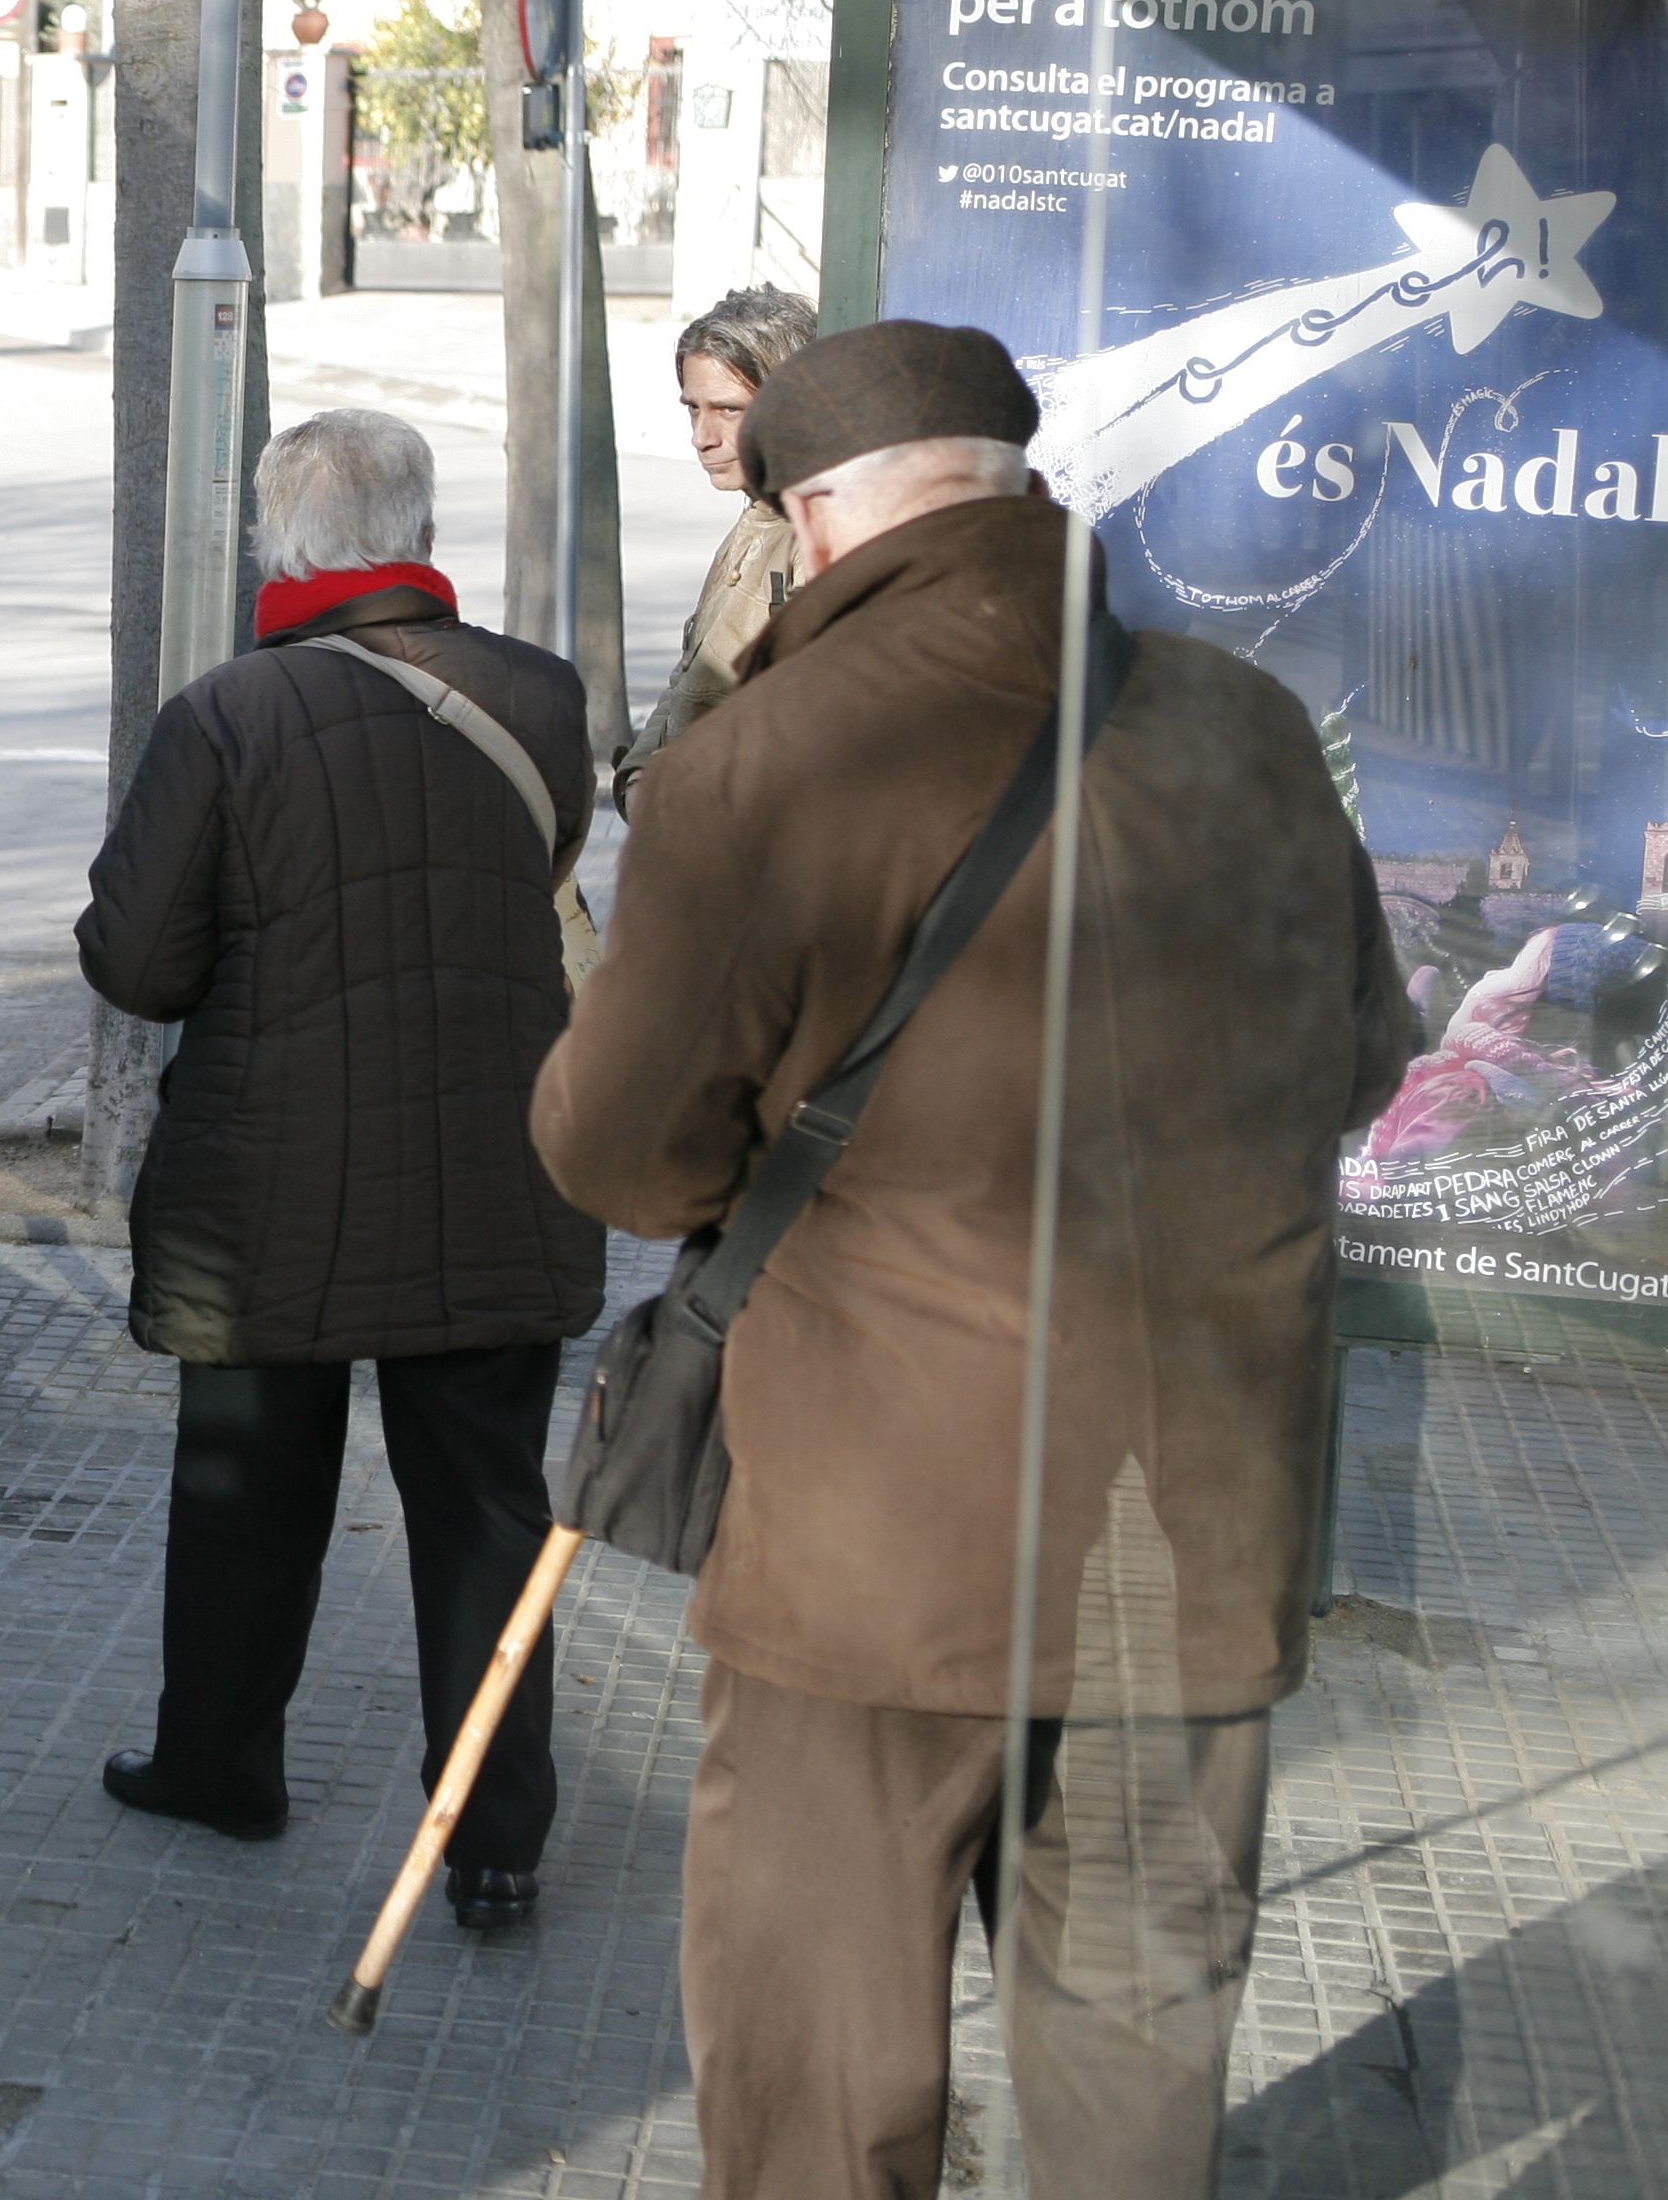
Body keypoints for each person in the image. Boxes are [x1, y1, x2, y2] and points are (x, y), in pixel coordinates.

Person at [532, 323, 1414, 2200]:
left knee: (819, 2078)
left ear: (820, 516)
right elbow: (1356, 1059)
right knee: (1128, 2075)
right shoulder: (1241, 724)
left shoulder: (757, 763)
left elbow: (615, 1150)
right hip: (1188, 1522)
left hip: (873, 1552)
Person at [74, 409, 600, 1927]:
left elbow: (139, 968)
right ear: (424, 537)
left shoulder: (225, 718)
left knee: (247, 1492)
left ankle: (221, 1769)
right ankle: (494, 1846)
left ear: (278, 546)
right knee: (488, 1506)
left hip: (267, 1195)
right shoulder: (541, 698)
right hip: (496, 1168)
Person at [614, 284, 818, 814]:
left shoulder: (820, 535)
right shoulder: (757, 519)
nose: (702, 437)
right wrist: (638, 780)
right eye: (693, 410)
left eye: (729, 410)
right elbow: (692, 677)